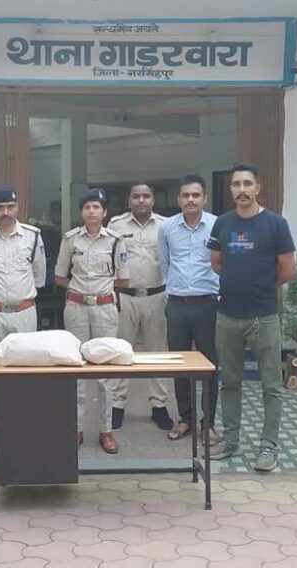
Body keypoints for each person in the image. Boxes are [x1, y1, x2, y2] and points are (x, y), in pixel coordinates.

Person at [207, 162, 296, 472]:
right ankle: (230, 440)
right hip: (227, 316)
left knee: (271, 386)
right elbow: (217, 263)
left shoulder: (276, 224)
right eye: (236, 184)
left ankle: (268, 447)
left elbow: (287, 269)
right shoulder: (222, 223)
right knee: (229, 382)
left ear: (258, 188)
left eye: (247, 184)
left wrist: (260, 287)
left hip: (264, 317)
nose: (242, 190)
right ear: (231, 189)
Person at [0, 186, 46, 452]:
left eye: (10, 207)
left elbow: (39, 276)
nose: (5, 212)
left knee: (25, 373)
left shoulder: (33, 236)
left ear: (17, 207)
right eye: (0, 207)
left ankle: (23, 429)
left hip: (24, 314)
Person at [55, 188, 129, 454]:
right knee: (75, 368)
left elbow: (123, 279)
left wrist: (100, 292)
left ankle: (106, 431)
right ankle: (75, 429)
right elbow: (60, 276)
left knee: (105, 371)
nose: (92, 211)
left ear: (105, 212)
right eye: (87, 207)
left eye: (97, 207)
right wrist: (81, 292)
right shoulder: (70, 239)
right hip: (76, 308)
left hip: (104, 309)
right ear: (81, 213)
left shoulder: (116, 240)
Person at [157, 174, 220, 444]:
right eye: (186, 195)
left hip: (208, 305)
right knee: (179, 364)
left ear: (205, 198)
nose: (191, 199)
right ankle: (186, 419)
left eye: (196, 195)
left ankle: (209, 423)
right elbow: (164, 263)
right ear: (179, 199)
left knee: (210, 366)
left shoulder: (218, 225)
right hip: (178, 306)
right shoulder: (167, 228)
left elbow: (223, 262)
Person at [107, 182, 173, 431]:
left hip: (156, 296)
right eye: (136, 196)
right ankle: (116, 405)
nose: (141, 200)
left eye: (146, 196)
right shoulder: (116, 225)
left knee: (158, 353)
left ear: (153, 199)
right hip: (125, 297)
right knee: (121, 351)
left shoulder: (166, 225)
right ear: (129, 200)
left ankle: (159, 406)